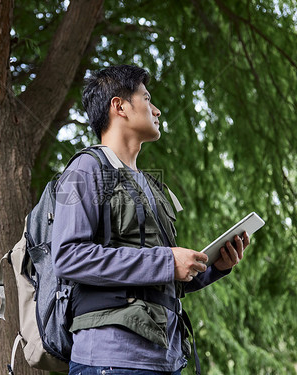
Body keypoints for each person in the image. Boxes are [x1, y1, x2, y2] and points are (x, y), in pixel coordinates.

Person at [51, 64, 249, 375]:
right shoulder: (85, 170)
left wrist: (214, 266)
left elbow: (156, 276)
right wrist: (168, 261)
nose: (156, 110)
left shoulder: (153, 187)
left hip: (165, 359)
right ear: (119, 106)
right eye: (146, 98)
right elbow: (67, 257)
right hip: (111, 361)